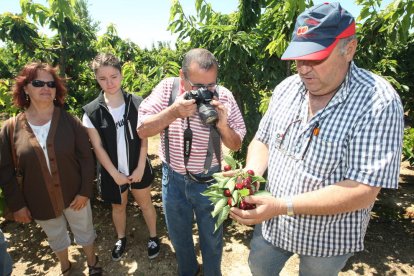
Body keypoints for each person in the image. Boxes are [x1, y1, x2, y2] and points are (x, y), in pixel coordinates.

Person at [229, 2, 404, 276]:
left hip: (328, 236)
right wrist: (249, 176)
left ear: (349, 49)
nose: (303, 69)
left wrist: (281, 206)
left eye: (316, 58)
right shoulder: (287, 89)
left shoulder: (378, 102)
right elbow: (262, 141)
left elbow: (363, 189)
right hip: (274, 224)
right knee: (259, 268)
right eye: (299, 58)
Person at [138, 48, 246, 275]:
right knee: (179, 238)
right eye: (197, 86)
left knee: (212, 240)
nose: (205, 92)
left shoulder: (223, 95)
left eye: (210, 85)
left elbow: (236, 145)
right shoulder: (169, 88)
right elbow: (142, 129)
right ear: (182, 76)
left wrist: (223, 126)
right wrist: (173, 112)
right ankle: (188, 271)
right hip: (173, 180)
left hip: (209, 181)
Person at [0, 62, 102, 276]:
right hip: (39, 199)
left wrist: (85, 191)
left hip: (75, 195)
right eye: (38, 83)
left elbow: (86, 157)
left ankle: (92, 261)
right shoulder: (11, 128)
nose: (46, 88)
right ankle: (65, 266)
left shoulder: (69, 121)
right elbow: (5, 171)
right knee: (55, 235)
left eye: (51, 84)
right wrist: (17, 205)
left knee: (84, 229)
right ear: (25, 88)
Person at [82, 53, 160, 261]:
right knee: (118, 206)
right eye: (102, 78)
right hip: (112, 171)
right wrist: (114, 174)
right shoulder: (91, 112)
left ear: (121, 75)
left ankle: (153, 236)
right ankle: (121, 238)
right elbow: (97, 146)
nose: (109, 83)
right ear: (96, 79)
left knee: (145, 203)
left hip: (138, 166)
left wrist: (141, 166)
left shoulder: (137, 103)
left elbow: (144, 137)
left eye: (114, 76)